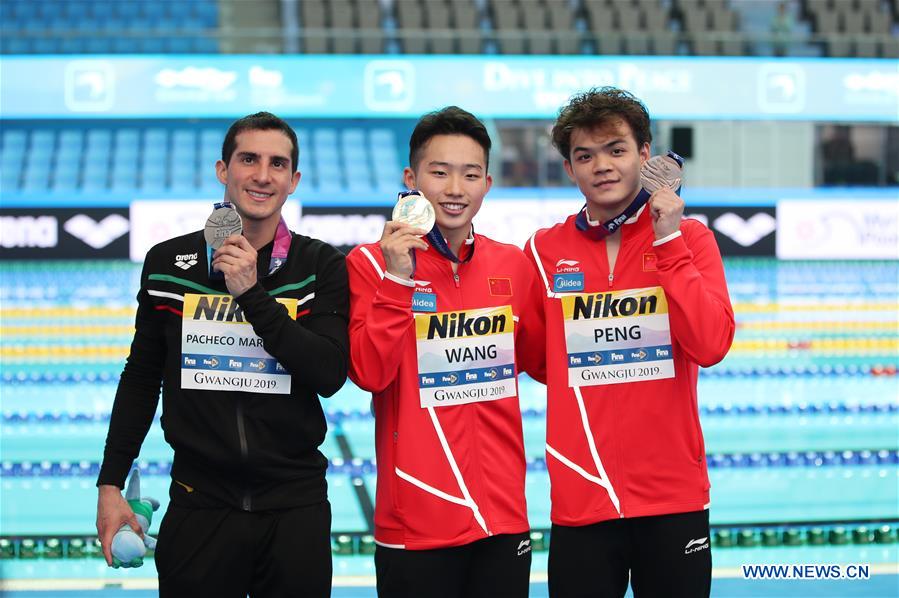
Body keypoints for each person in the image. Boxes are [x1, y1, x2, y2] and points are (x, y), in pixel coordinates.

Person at [96, 112, 349, 597]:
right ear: (222, 169)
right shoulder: (169, 265)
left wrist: (252, 294)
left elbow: (329, 373)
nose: (262, 175)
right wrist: (111, 483)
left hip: (294, 507)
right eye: (248, 159)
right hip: (199, 506)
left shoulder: (319, 264)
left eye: (278, 164)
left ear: (293, 181)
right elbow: (143, 377)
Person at [524, 87, 734, 597]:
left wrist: (667, 241)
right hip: (582, 494)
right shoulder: (544, 250)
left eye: (616, 149)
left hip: (672, 497)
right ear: (570, 169)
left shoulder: (691, 239)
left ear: (644, 155)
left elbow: (710, 344)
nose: (602, 165)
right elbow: (538, 357)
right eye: (584, 155)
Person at [346, 106, 546, 598]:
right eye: (440, 172)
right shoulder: (368, 264)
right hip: (415, 521)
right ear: (411, 178)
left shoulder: (512, 265)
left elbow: (544, 363)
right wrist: (398, 278)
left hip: (502, 517)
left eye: (470, 174)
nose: (455, 188)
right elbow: (368, 373)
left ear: (487, 183)